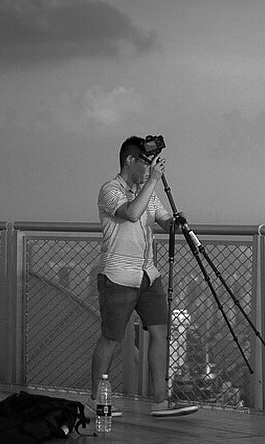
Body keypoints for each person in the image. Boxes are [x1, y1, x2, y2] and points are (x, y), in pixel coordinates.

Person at [91, 136, 199, 418]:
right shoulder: (110, 190)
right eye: (145, 161)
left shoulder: (147, 192)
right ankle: (97, 399)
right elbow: (131, 213)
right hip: (118, 276)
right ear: (130, 160)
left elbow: (162, 219)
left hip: (148, 275)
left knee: (161, 334)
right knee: (111, 338)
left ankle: (160, 401)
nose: (149, 167)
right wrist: (153, 180)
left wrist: (175, 222)